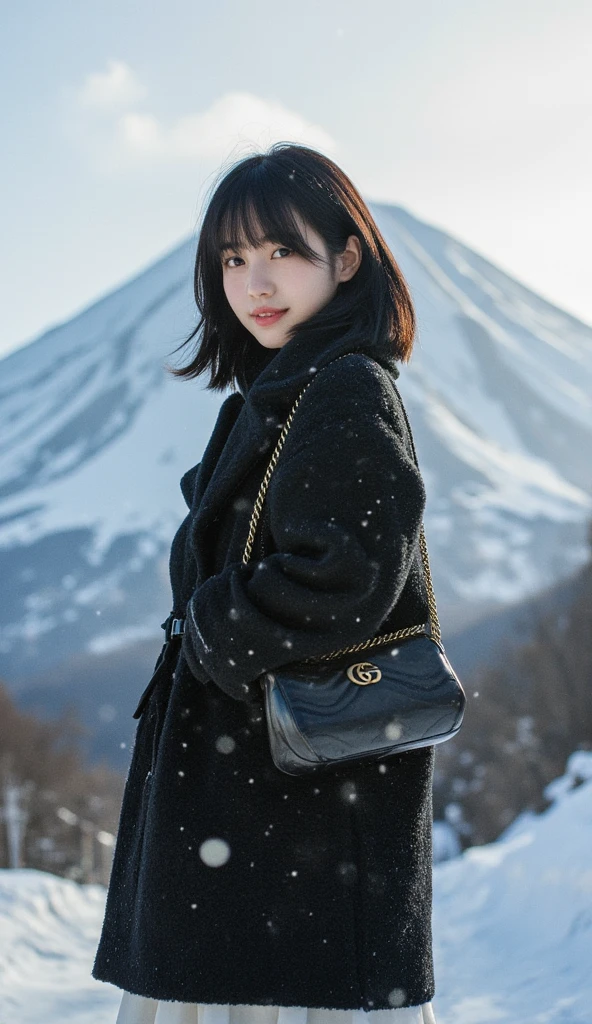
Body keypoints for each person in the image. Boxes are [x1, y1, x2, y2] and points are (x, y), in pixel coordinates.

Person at [92, 142, 438, 1024]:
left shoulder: (345, 388)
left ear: (347, 256)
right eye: (234, 258)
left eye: (282, 250)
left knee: (271, 997)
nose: (256, 281)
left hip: (295, 806)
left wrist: (211, 629)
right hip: (261, 801)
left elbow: (351, 571)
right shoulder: (275, 393)